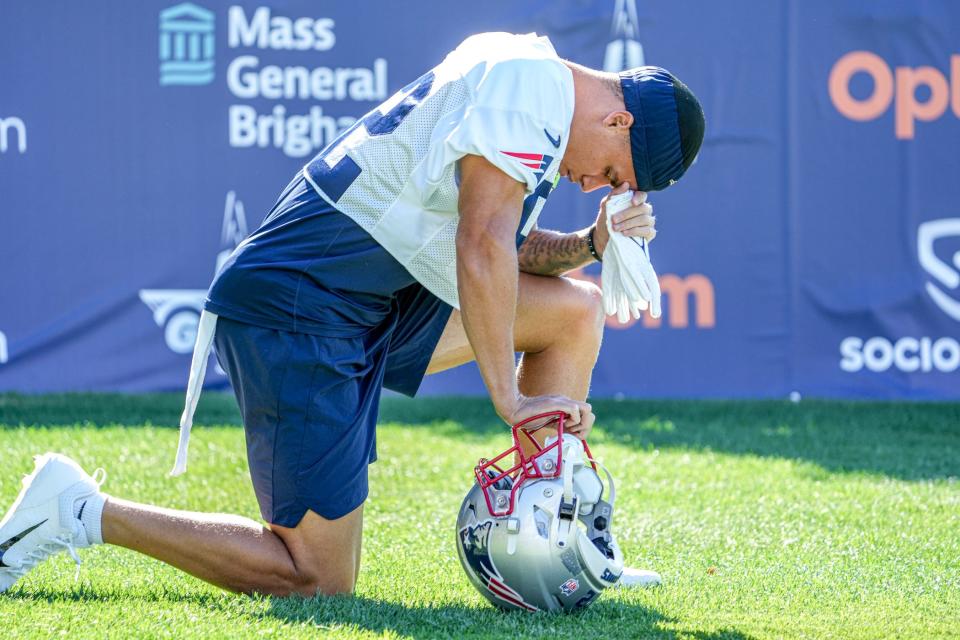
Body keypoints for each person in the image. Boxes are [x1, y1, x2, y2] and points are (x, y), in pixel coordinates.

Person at [0, 32, 704, 597]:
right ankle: (80, 510)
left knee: (573, 312)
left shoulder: (530, 73)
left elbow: (502, 239)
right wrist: (509, 398)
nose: (594, 185)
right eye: (611, 173)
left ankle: (553, 543)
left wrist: (589, 244)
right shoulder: (530, 92)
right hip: (302, 302)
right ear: (618, 120)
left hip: (371, 299)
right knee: (314, 576)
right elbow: (482, 242)